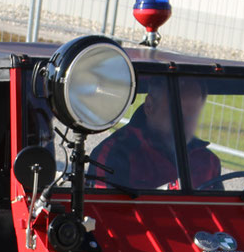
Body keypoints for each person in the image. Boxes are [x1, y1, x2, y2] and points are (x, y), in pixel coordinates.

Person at [87, 76, 220, 189]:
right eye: (175, 112)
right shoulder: (114, 153)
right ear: (149, 106)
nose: (183, 122)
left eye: (192, 113)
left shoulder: (208, 161)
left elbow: (221, 213)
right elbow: (104, 212)